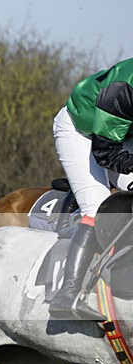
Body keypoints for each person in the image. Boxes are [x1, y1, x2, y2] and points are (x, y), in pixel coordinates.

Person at [49, 58, 133, 320]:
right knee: (98, 209)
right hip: (81, 132)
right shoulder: (123, 90)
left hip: (122, 132)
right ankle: (68, 294)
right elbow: (106, 153)